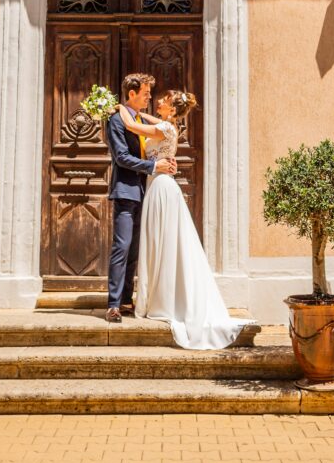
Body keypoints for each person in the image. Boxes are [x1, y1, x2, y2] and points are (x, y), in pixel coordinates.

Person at [116, 90, 254, 349]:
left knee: (162, 243)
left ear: (170, 109)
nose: (157, 101)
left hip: (160, 187)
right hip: (160, 184)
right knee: (163, 242)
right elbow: (144, 118)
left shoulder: (165, 128)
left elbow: (132, 125)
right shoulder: (168, 125)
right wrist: (137, 110)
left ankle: (164, 300)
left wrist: (119, 107)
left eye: (163, 101)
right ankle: (161, 295)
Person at [104, 73, 177, 323]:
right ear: (132, 93)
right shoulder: (116, 120)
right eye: (145, 93)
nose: (149, 96)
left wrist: (162, 163)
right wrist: (155, 167)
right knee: (121, 247)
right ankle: (113, 304)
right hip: (126, 190)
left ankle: (126, 300)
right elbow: (121, 157)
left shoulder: (135, 118)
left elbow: (150, 150)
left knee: (134, 249)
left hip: (146, 192)